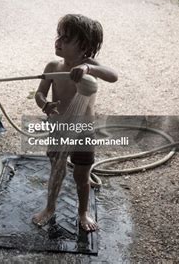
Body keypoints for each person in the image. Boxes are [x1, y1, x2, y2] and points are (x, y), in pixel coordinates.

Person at [32, 14, 118, 232]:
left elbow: (113, 75)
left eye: (66, 38)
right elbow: (40, 93)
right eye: (58, 35)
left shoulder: (89, 66)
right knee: (56, 172)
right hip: (59, 130)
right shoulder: (53, 66)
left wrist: (89, 69)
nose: (58, 41)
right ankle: (50, 208)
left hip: (83, 132)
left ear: (85, 47)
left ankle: (83, 213)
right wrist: (45, 105)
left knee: (82, 176)